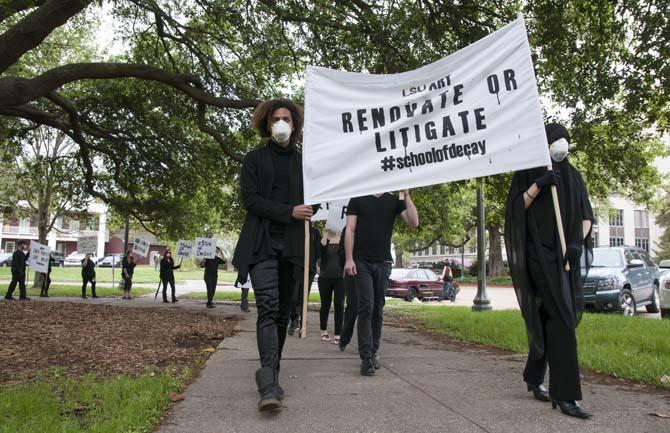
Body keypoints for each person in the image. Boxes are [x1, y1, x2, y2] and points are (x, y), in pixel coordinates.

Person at [231, 98, 319, 412]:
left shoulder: (306, 164)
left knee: (282, 312)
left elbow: (315, 203)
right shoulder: (253, 159)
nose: (281, 123)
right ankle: (267, 383)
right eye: (275, 119)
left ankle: (273, 374)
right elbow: (250, 200)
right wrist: (288, 211)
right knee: (267, 306)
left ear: (295, 125)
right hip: (262, 242)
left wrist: (311, 207)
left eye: (286, 118)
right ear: (267, 125)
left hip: (295, 245)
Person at [504, 123, 594, 419]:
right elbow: (515, 212)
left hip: (564, 257)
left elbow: (586, 216)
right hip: (538, 257)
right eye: (556, 139)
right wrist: (538, 185)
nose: (562, 144)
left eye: (565, 139)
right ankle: (565, 394)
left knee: (547, 317)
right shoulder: (528, 172)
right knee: (563, 319)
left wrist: (576, 245)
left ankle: (533, 377)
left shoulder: (574, 176)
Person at [344, 190, 419, 376]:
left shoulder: (393, 200)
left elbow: (414, 222)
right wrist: (349, 259)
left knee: (378, 309)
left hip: (383, 262)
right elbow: (350, 229)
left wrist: (407, 195)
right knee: (366, 307)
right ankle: (366, 357)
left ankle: (374, 352)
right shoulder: (357, 198)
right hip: (361, 261)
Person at [288, 226, 320, 336]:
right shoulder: (295, 230)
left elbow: (319, 251)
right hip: (296, 268)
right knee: (293, 298)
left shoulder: (315, 232)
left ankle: (303, 326)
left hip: (310, 270)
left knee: (303, 298)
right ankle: (293, 319)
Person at [317, 228, 345, 344]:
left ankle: (338, 334)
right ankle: (323, 331)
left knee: (339, 304)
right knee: (325, 304)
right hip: (324, 277)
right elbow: (319, 254)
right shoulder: (324, 239)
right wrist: (325, 236)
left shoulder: (343, 239)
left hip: (340, 278)